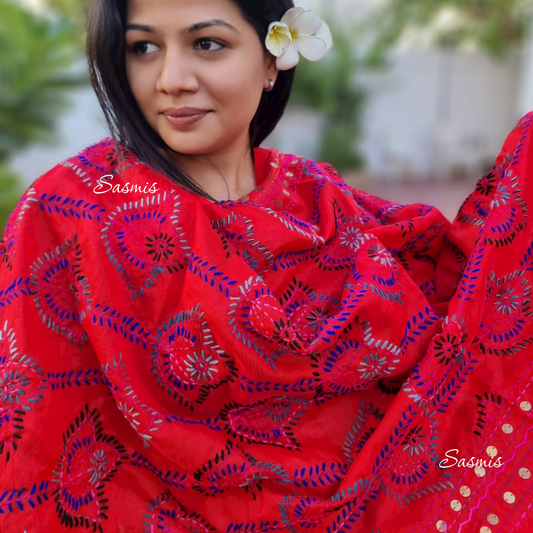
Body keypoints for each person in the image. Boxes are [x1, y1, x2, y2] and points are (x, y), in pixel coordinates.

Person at [0, 0, 531, 531]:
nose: (171, 79)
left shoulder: (318, 199)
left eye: (207, 44)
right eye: (144, 48)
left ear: (273, 59)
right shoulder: (76, 209)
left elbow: (467, 286)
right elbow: (33, 437)